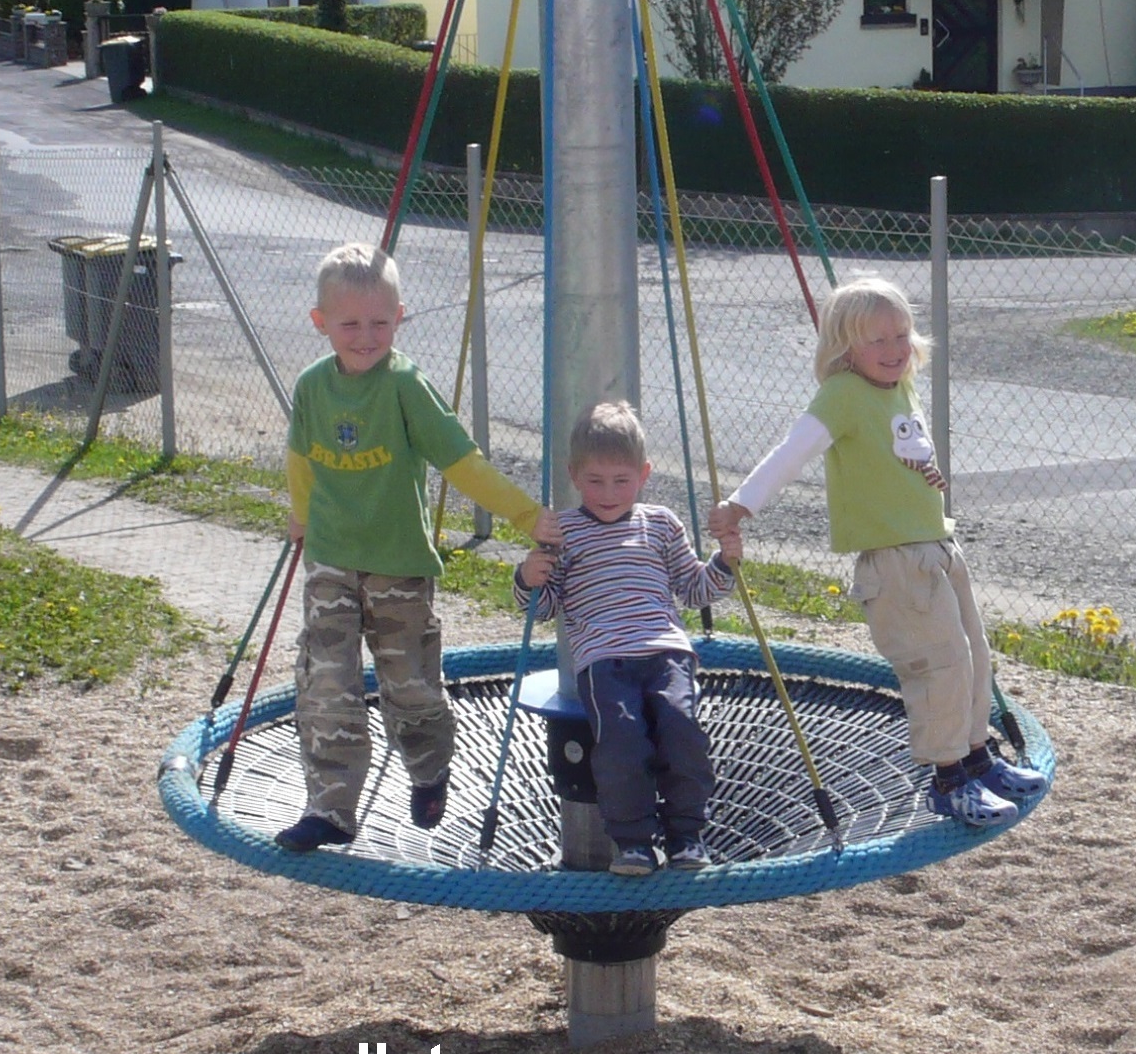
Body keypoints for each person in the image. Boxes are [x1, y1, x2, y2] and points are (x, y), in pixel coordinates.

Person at [708, 276, 1048, 829]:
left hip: (936, 546)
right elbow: (790, 454)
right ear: (844, 349)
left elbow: (904, 451)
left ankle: (977, 757)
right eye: (877, 341)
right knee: (937, 665)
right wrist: (742, 505)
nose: (894, 350)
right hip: (894, 561)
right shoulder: (842, 396)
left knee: (971, 657)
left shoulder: (898, 384)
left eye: (901, 335)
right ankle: (948, 779)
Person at [276, 242, 562, 854]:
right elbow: (301, 457)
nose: (365, 335)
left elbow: (461, 461)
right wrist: (301, 516)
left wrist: (527, 515)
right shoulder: (311, 387)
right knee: (327, 681)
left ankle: (430, 768)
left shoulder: (405, 386)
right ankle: (330, 807)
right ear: (319, 322)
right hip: (329, 555)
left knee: (409, 686)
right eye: (349, 323)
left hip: (398, 565)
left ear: (400, 316)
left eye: (379, 322)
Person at [515, 400, 741, 875]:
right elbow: (547, 608)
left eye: (621, 480)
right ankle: (634, 841)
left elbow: (696, 588)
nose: (609, 492)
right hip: (604, 659)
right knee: (620, 741)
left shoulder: (660, 523)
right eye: (595, 481)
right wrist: (529, 576)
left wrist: (725, 562)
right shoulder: (564, 532)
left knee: (681, 727)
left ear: (644, 474)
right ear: (575, 475)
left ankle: (685, 834)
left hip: (667, 651)